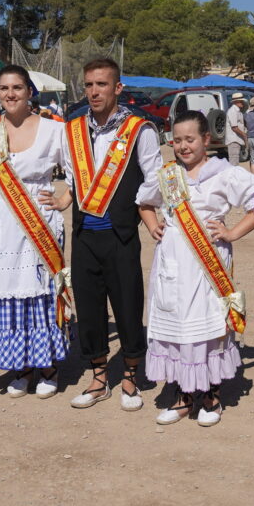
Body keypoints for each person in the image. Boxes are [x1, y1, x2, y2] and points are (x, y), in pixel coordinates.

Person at [137, 111, 254, 426]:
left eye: (190, 139)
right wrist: (153, 225)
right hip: (172, 264)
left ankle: (211, 394)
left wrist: (232, 232)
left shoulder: (224, 173)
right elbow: (144, 202)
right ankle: (183, 396)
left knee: (208, 326)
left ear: (206, 140)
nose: (183, 146)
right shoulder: (167, 173)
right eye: (177, 139)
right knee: (179, 326)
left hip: (208, 264)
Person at [54, 58, 161, 411]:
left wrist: (147, 215)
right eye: (88, 85)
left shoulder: (139, 129)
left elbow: (153, 178)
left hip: (120, 234)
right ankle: (99, 375)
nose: (94, 92)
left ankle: (130, 375)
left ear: (118, 88)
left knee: (128, 304)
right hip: (84, 233)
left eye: (101, 84)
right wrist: (64, 196)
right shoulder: (72, 129)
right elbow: (72, 178)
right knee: (88, 307)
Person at [0, 65, 71, 397]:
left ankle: (47, 365)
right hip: (1, 223)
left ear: (30, 91)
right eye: (4, 89)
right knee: (6, 292)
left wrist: (63, 199)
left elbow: (78, 170)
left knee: (40, 292)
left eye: (17, 88)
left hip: (39, 219)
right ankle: (20, 366)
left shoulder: (54, 130)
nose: (10, 94)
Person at [225, 92, 247, 165]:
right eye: (241, 101)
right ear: (236, 102)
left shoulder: (238, 111)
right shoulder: (233, 111)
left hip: (236, 139)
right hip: (233, 139)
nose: (242, 102)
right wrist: (244, 135)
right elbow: (234, 127)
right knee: (233, 162)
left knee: (235, 161)